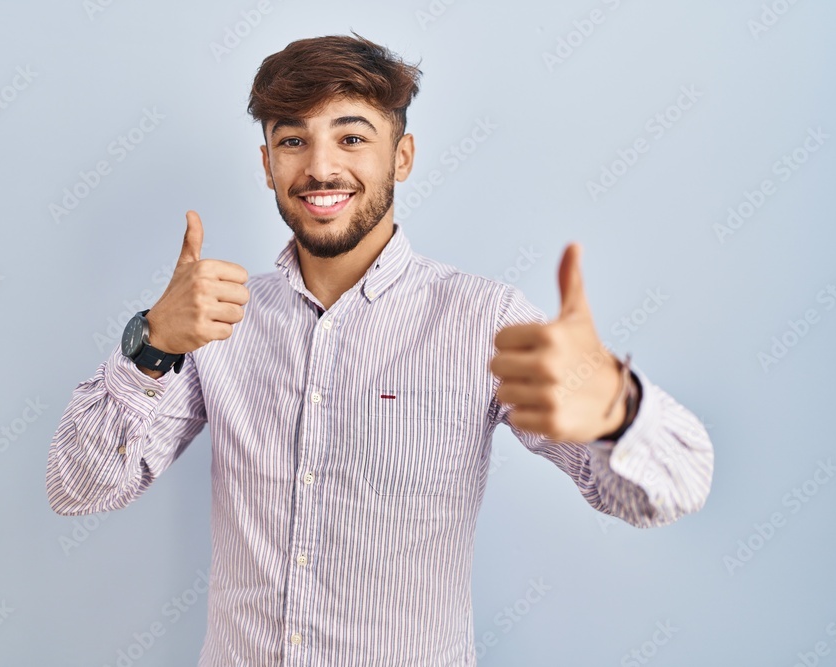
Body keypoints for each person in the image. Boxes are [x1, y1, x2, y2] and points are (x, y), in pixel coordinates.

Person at [46, 32, 714, 666]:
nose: (321, 167)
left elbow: (672, 489)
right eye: (293, 140)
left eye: (351, 137)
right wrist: (152, 343)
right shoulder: (217, 322)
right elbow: (80, 485)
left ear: (402, 155)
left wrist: (618, 410)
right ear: (267, 164)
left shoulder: (483, 318)